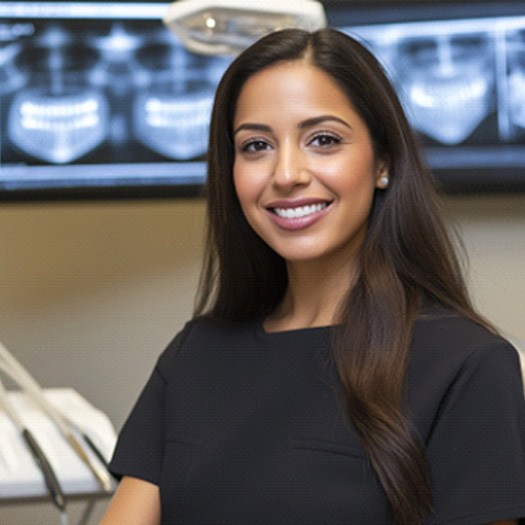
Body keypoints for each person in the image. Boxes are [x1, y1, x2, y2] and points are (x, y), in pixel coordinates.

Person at [100, 28, 525, 524]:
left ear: (382, 162)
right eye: (256, 145)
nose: (286, 173)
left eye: (323, 140)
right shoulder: (194, 355)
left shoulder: (466, 367)